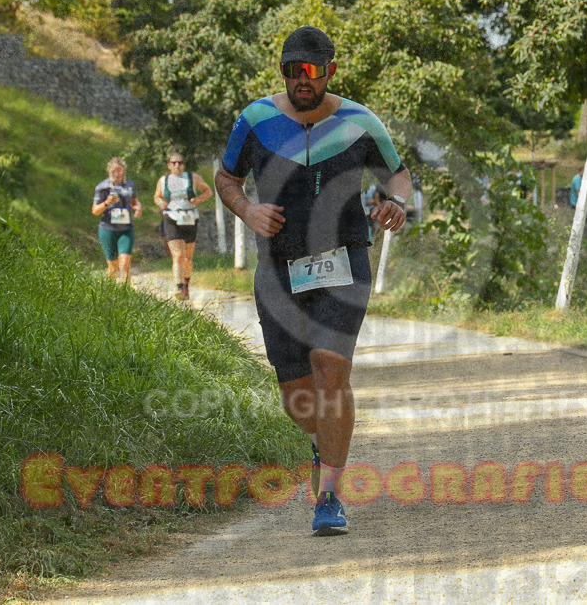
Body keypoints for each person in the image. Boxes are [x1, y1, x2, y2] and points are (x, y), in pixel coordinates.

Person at [215, 26, 411, 537]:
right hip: (278, 272)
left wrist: (397, 202)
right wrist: (246, 210)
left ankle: (329, 497)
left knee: (330, 369)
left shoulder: (360, 121)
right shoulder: (255, 120)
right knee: (299, 399)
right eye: (290, 70)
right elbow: (226, 177)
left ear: (330, 70)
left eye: (310, 70)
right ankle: (324, 447)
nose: (301, 79)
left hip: (344, 263)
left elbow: (398, 174)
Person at [153, 152, 213, 300]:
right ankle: (179, 287)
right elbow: (157, 196)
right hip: (172, 217)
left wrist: (198, 200)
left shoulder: (192, 178)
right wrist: (161, 203)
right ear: (169, 165)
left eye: (180, 162)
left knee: (187, 258)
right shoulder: (164, 180)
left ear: (183, 165)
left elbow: (208, 191)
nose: (177, 165)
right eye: (174, 163)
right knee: (178, 255)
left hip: (190, 218)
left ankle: (186, 283)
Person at [92, 157, 142, 284]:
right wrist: (106, 203)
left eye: (119, 170)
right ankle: (110, 293)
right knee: (113, 265)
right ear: (109, 171)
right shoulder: (102, 187)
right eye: (114, 170)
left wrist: (137, 207)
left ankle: (127, 294)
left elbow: (134, 201)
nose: (116, 173)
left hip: (126, 230)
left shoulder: (130, 185)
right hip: (108, 229)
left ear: (124, 170)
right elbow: (95, 211)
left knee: (124, 264)